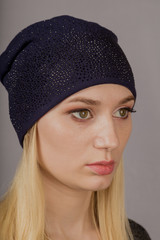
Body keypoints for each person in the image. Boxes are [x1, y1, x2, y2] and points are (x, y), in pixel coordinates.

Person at [0, 15, 151, 240]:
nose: (111, 140)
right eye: (82, 113)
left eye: (122, 112)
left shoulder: (133, 236)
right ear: (31, 125)